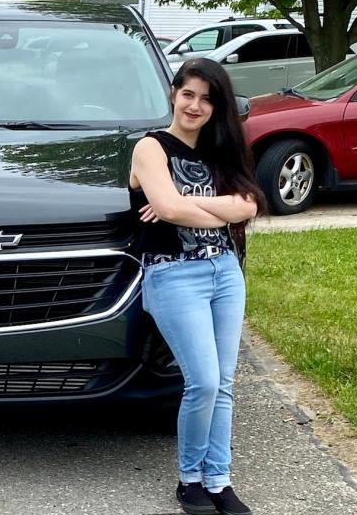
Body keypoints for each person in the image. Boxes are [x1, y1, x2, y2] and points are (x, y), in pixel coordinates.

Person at [129, 58, 266, 515]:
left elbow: (249, 204)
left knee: (224, 384)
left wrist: (184, 201)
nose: (195, 105)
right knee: (203, 382)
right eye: (188, 94)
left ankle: (219, 479)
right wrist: (207, 207)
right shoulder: (151, 148)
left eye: (207, 99)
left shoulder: (221, 150)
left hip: (225, 271)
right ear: (173, 93)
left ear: (216, 107)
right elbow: (166, 210)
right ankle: (189, 478)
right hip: (173, 274)